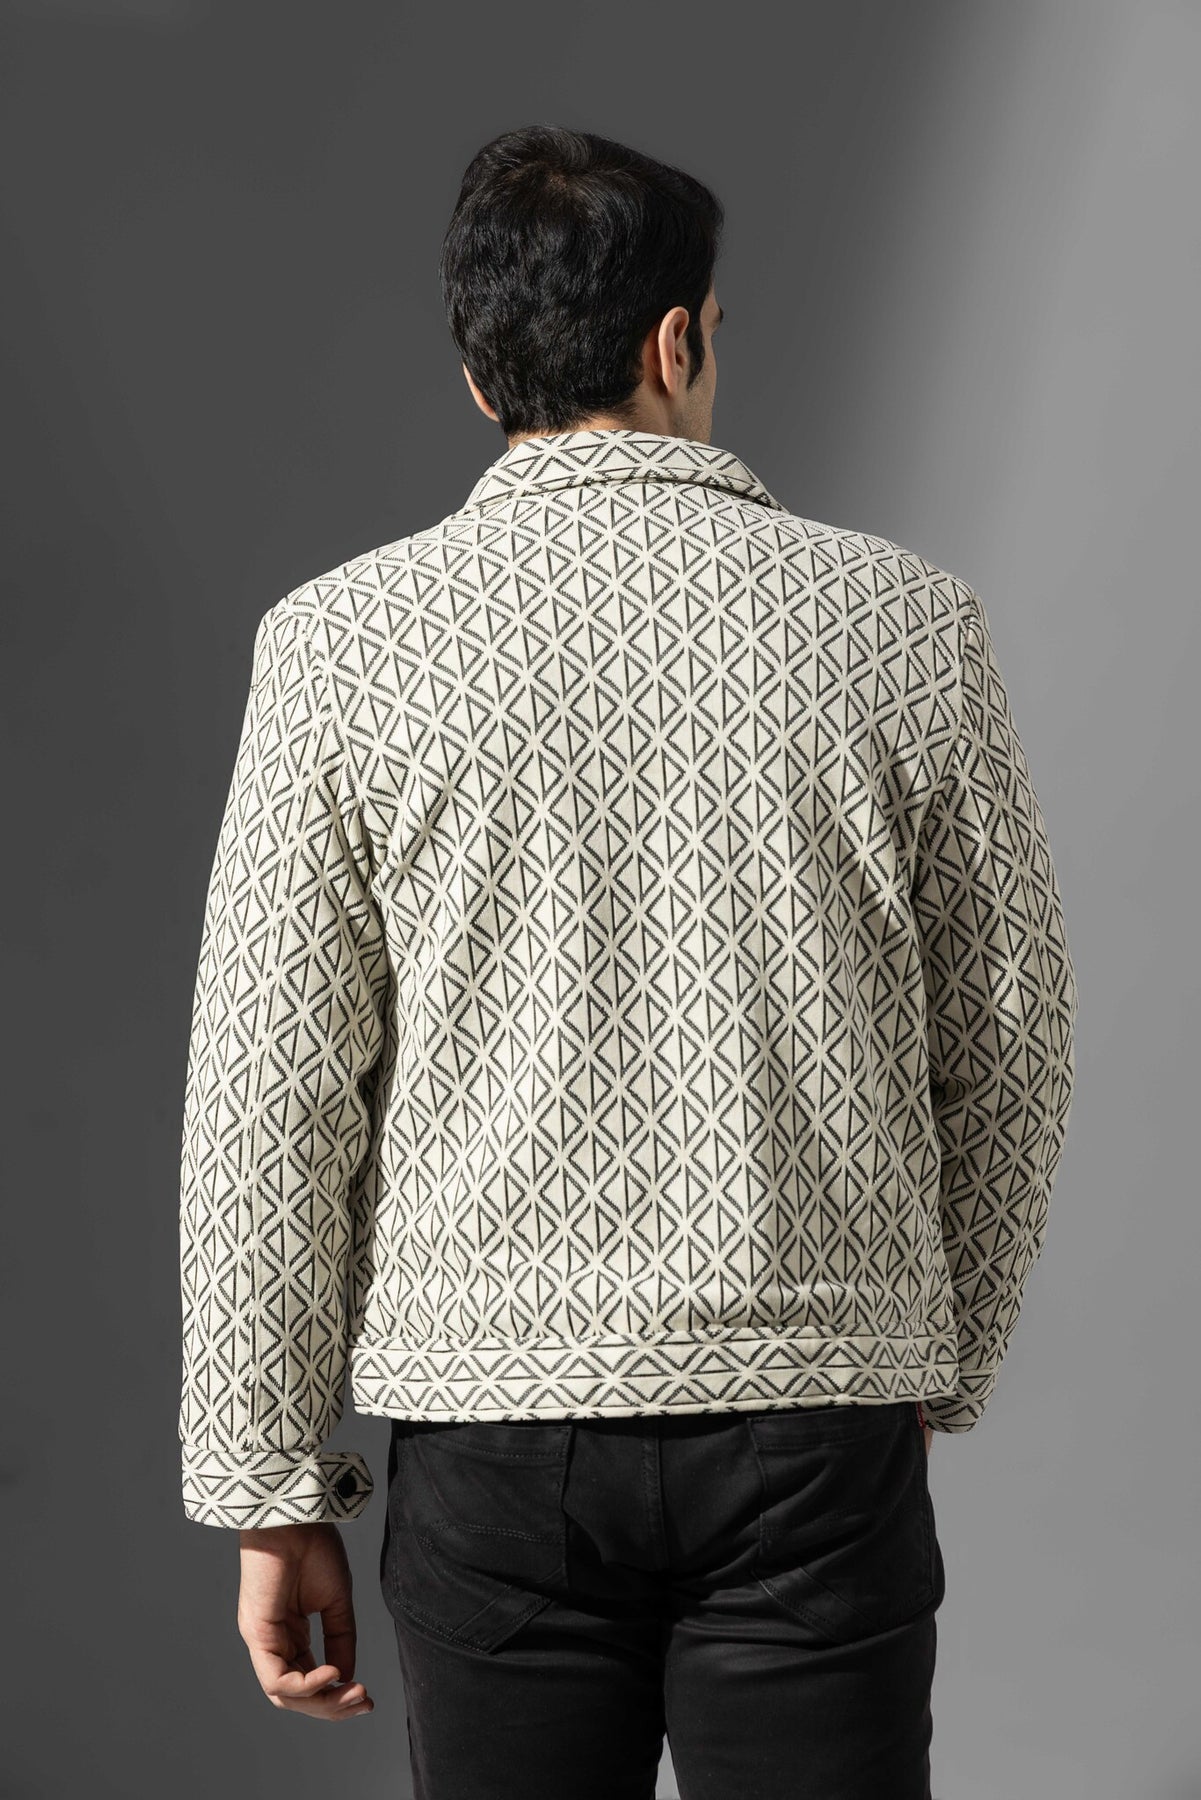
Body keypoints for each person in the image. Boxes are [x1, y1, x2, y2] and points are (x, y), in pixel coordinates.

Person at [178, 124, 1079, 1798]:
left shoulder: (338, 646)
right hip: (814, 1423)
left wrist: (267, 1487)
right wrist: (928, 1353)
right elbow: (1013, 1035)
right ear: (678, 341)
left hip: (489, 1441)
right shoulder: (904, 624)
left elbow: (269, 1094)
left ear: (479, 375)